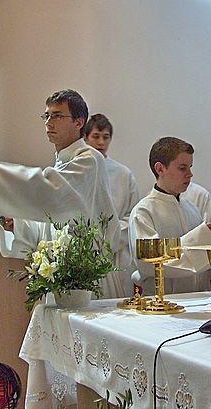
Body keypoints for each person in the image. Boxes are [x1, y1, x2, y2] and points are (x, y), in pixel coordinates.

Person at [0, 89, 120, 288]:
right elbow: (52, 221)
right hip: (63, 274)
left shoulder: (89, 160)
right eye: (47, 116)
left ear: (79, 122)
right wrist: (19, 225)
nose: (49, 122)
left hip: (89, 276)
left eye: (57, 116)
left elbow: (48, 193)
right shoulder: (62, 163)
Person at [129, 136, 211, 295]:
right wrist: (197, 238)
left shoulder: (191, 208)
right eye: (182, 168)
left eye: (190, 167)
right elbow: (148, 263)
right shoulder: (143, 212)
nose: (190, 174)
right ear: (160, 169)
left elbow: (207, 263)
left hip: (199, 298)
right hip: (164, 301)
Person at [84, 113, 139, 297]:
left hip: (115, 254)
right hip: (84, 253)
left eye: (105, 137)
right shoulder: (77, 170)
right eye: (96, 136)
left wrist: (108, 240)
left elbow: (132, 215)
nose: (101, 142)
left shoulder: (123, 174)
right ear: (85, 137)